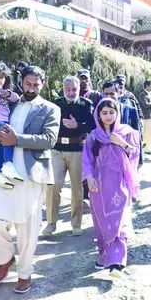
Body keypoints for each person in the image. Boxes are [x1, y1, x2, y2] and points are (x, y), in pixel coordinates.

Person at [0, 65, 60, 294]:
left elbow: (49, 139)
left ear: (43, 84)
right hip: (4, 170)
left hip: (32, 173)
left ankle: (24, 272)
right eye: (28, 84)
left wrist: (18, 139)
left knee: (27, 226)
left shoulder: (50, 108)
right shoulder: (9, 102)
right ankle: (5, 258)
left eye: (36, 84)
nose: (32, 88)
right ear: (21, 83)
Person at [82, 98, 140, 278]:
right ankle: (104, 255)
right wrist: (89, 177)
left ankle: (117, 263)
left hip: (120, 183)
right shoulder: (93, 137)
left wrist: (121, 143)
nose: (108, 116)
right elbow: (87, 160)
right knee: (101, 221)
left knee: (119, 219)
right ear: (98, 115)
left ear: (117, 113)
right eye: (104, 113)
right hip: (99, 185)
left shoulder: (127, 133)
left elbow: (135, 154)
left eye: (111, 112)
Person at [44, 76, 94, 237]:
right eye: (68, 89)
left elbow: (92, 125)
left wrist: (77, 126)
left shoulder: (86, 105)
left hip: (77, 149)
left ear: (79, 88)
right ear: (63, 89)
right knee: (53, 186)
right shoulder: (56, 104)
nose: (71, 92)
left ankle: (76, 224)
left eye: (74, 89)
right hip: (57, 149)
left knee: (76, 189)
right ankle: (51, 223)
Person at [138, 79, 151, 151]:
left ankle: (148, 149)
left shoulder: (150, 94)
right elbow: (145, 104)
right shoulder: (142, 94)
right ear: (147, 86)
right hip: (145, 117)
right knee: (145, 133)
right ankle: (145, 149)